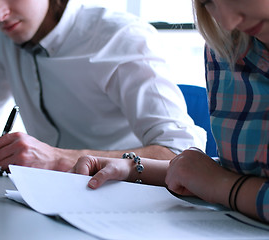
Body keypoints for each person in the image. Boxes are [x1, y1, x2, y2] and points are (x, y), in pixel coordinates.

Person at [0, 0, 206, 172]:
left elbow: (179, 153)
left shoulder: (121, 37)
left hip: (123, 200)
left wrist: (59, 159)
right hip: (40, 197)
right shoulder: (2, 39)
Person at [72, 0, 269, 223]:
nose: (229, 20)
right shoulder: (225, 46)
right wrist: (135, 168)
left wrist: (222, 187)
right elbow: (247, 174)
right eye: (208, 2)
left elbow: (221, 182)